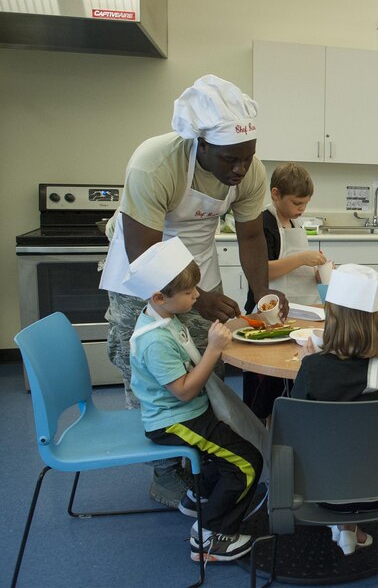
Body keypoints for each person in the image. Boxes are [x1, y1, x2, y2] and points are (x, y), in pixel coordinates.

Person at [99, 75, 284, 508]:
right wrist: (197, 299)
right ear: (201, 144)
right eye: (231, 159)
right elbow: (144, 250)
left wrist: (263, 297)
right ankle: (165, 475)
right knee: (151, 373)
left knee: (206, 368)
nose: (241, 169)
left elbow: (252, 238)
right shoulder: (155, 162)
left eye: (248, 157)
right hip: (142, 276)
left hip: (198, 265)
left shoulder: (248, 170)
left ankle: (203, 459)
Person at [125, 237, 263, 563]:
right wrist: (214, 349)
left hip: (188, 413)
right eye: (189, 293)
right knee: (247, 464)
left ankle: (197, 498)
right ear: (160, 297)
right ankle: (210, 536)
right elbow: (185, 390)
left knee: (226, 452)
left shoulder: (166, 317)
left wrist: (249, 320)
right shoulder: (154, 341)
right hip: (175, 421)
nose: (197, 296)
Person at [293, 264, 378, 556]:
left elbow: (295, 426)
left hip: (321, 492)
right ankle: (349, 528)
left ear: (331, 319)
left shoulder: (313, 369)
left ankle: (344, 526)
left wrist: (307, 362)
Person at [242, 162, 327, 422]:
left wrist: (319, 270)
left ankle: (284, 424)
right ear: (275, 194)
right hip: (268, 313)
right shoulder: (263, 222)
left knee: (291, 374)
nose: (302, 209)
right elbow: (263, 271)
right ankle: (259, 426)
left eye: (306, 204)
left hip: (300, 310)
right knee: (266, 378)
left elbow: (296, 266)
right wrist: (302, 258)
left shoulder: (293, 223)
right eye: (297, 203)